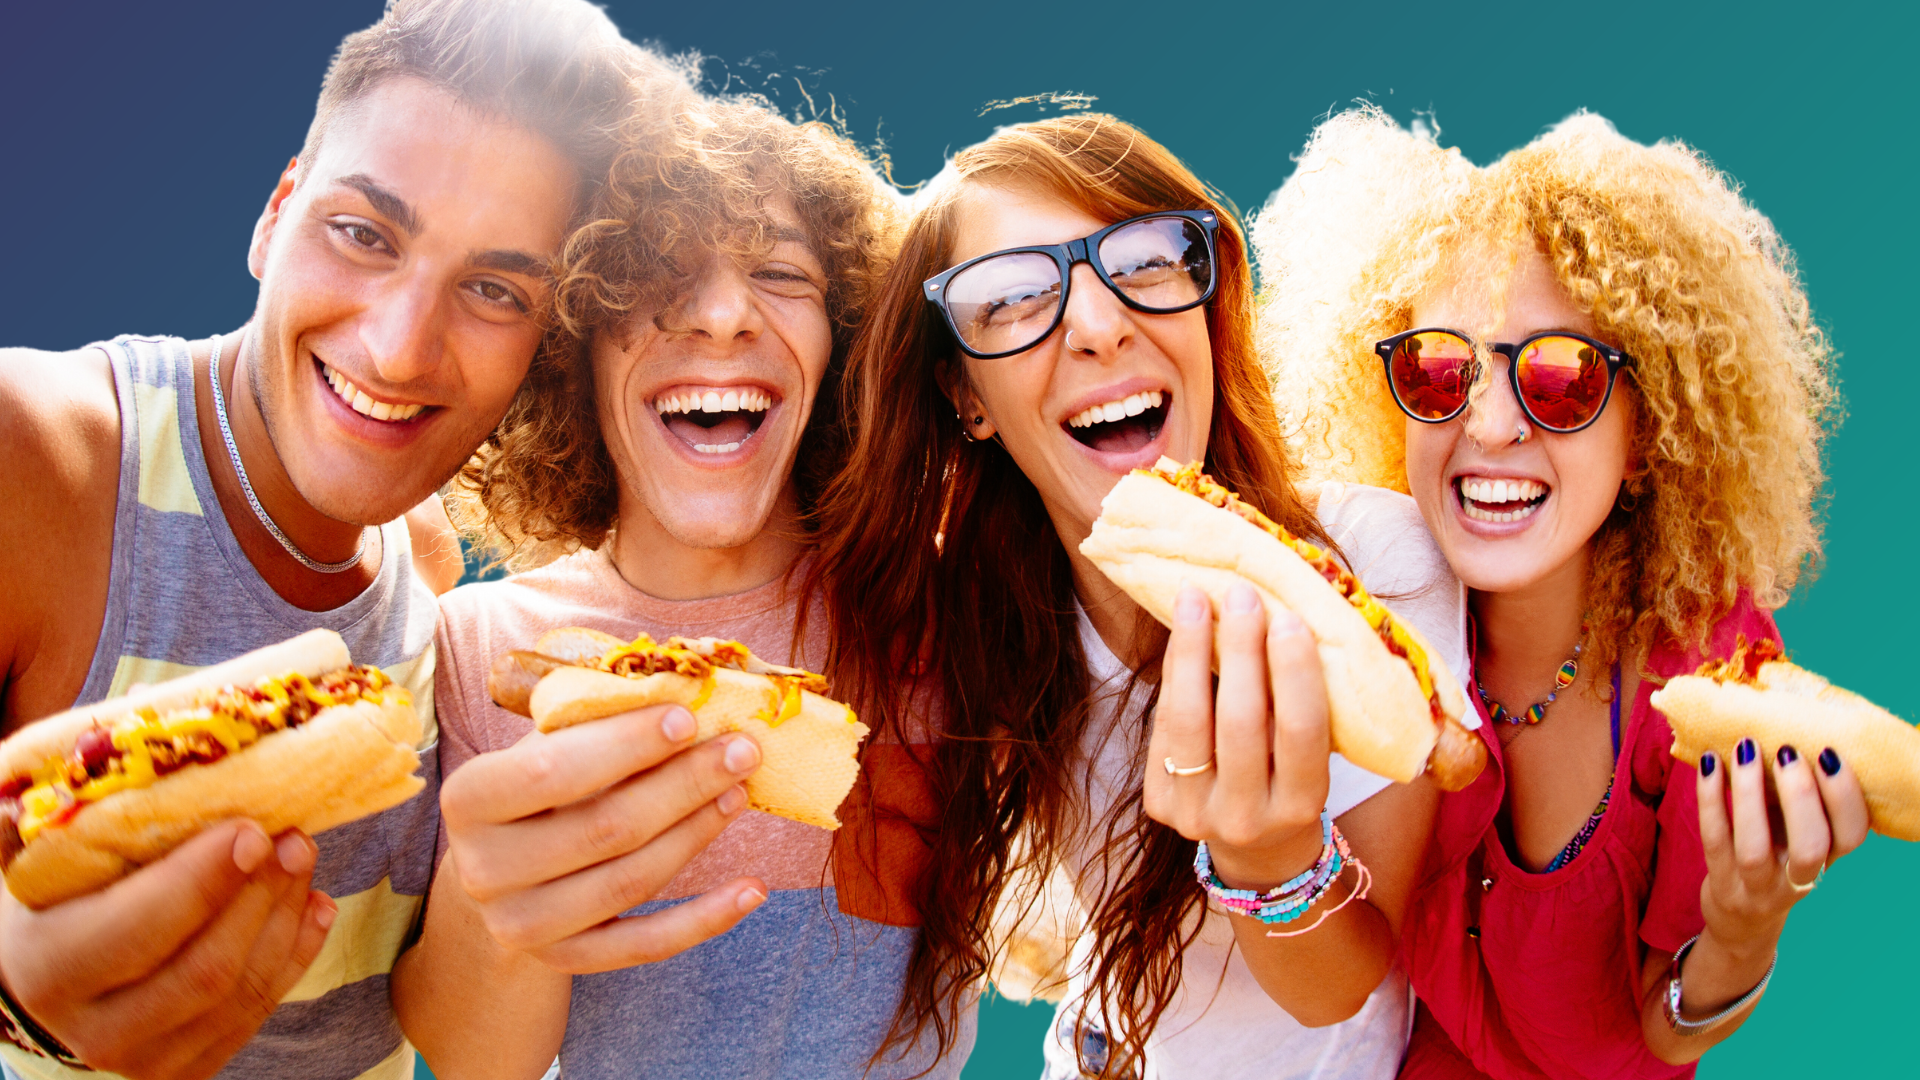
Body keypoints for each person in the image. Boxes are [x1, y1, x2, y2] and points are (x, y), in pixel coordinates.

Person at [0, 2, 679, 1077]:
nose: (401, 348)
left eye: (494, 290)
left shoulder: (425, 568)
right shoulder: (37, 459)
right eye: (363, 233)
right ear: (275, 214)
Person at [811, 113, 1468, 1079]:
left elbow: (1342, 986)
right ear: (966, 399)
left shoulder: (1375, 562)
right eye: (1013, 297)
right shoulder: (975, 613)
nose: (1099, 321)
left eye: (1149, 259)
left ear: (1207, 305)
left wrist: (1273, 857)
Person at [1260, 107, 1869, 1078]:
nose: (1491, 423)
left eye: (1559, 379)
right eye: (1438, 368)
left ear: (1650, 427)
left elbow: (1665, 1030)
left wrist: (1745, 927)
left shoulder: (1707, 670)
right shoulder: (1372, 619)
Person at [387, 90, 942, 1079]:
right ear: (572, 345)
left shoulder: (933, 615)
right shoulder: (478, 653)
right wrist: (500, 907)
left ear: (848, 341)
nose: (724, 314)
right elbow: (474, 1057)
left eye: (779, 273)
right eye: (654, 274)